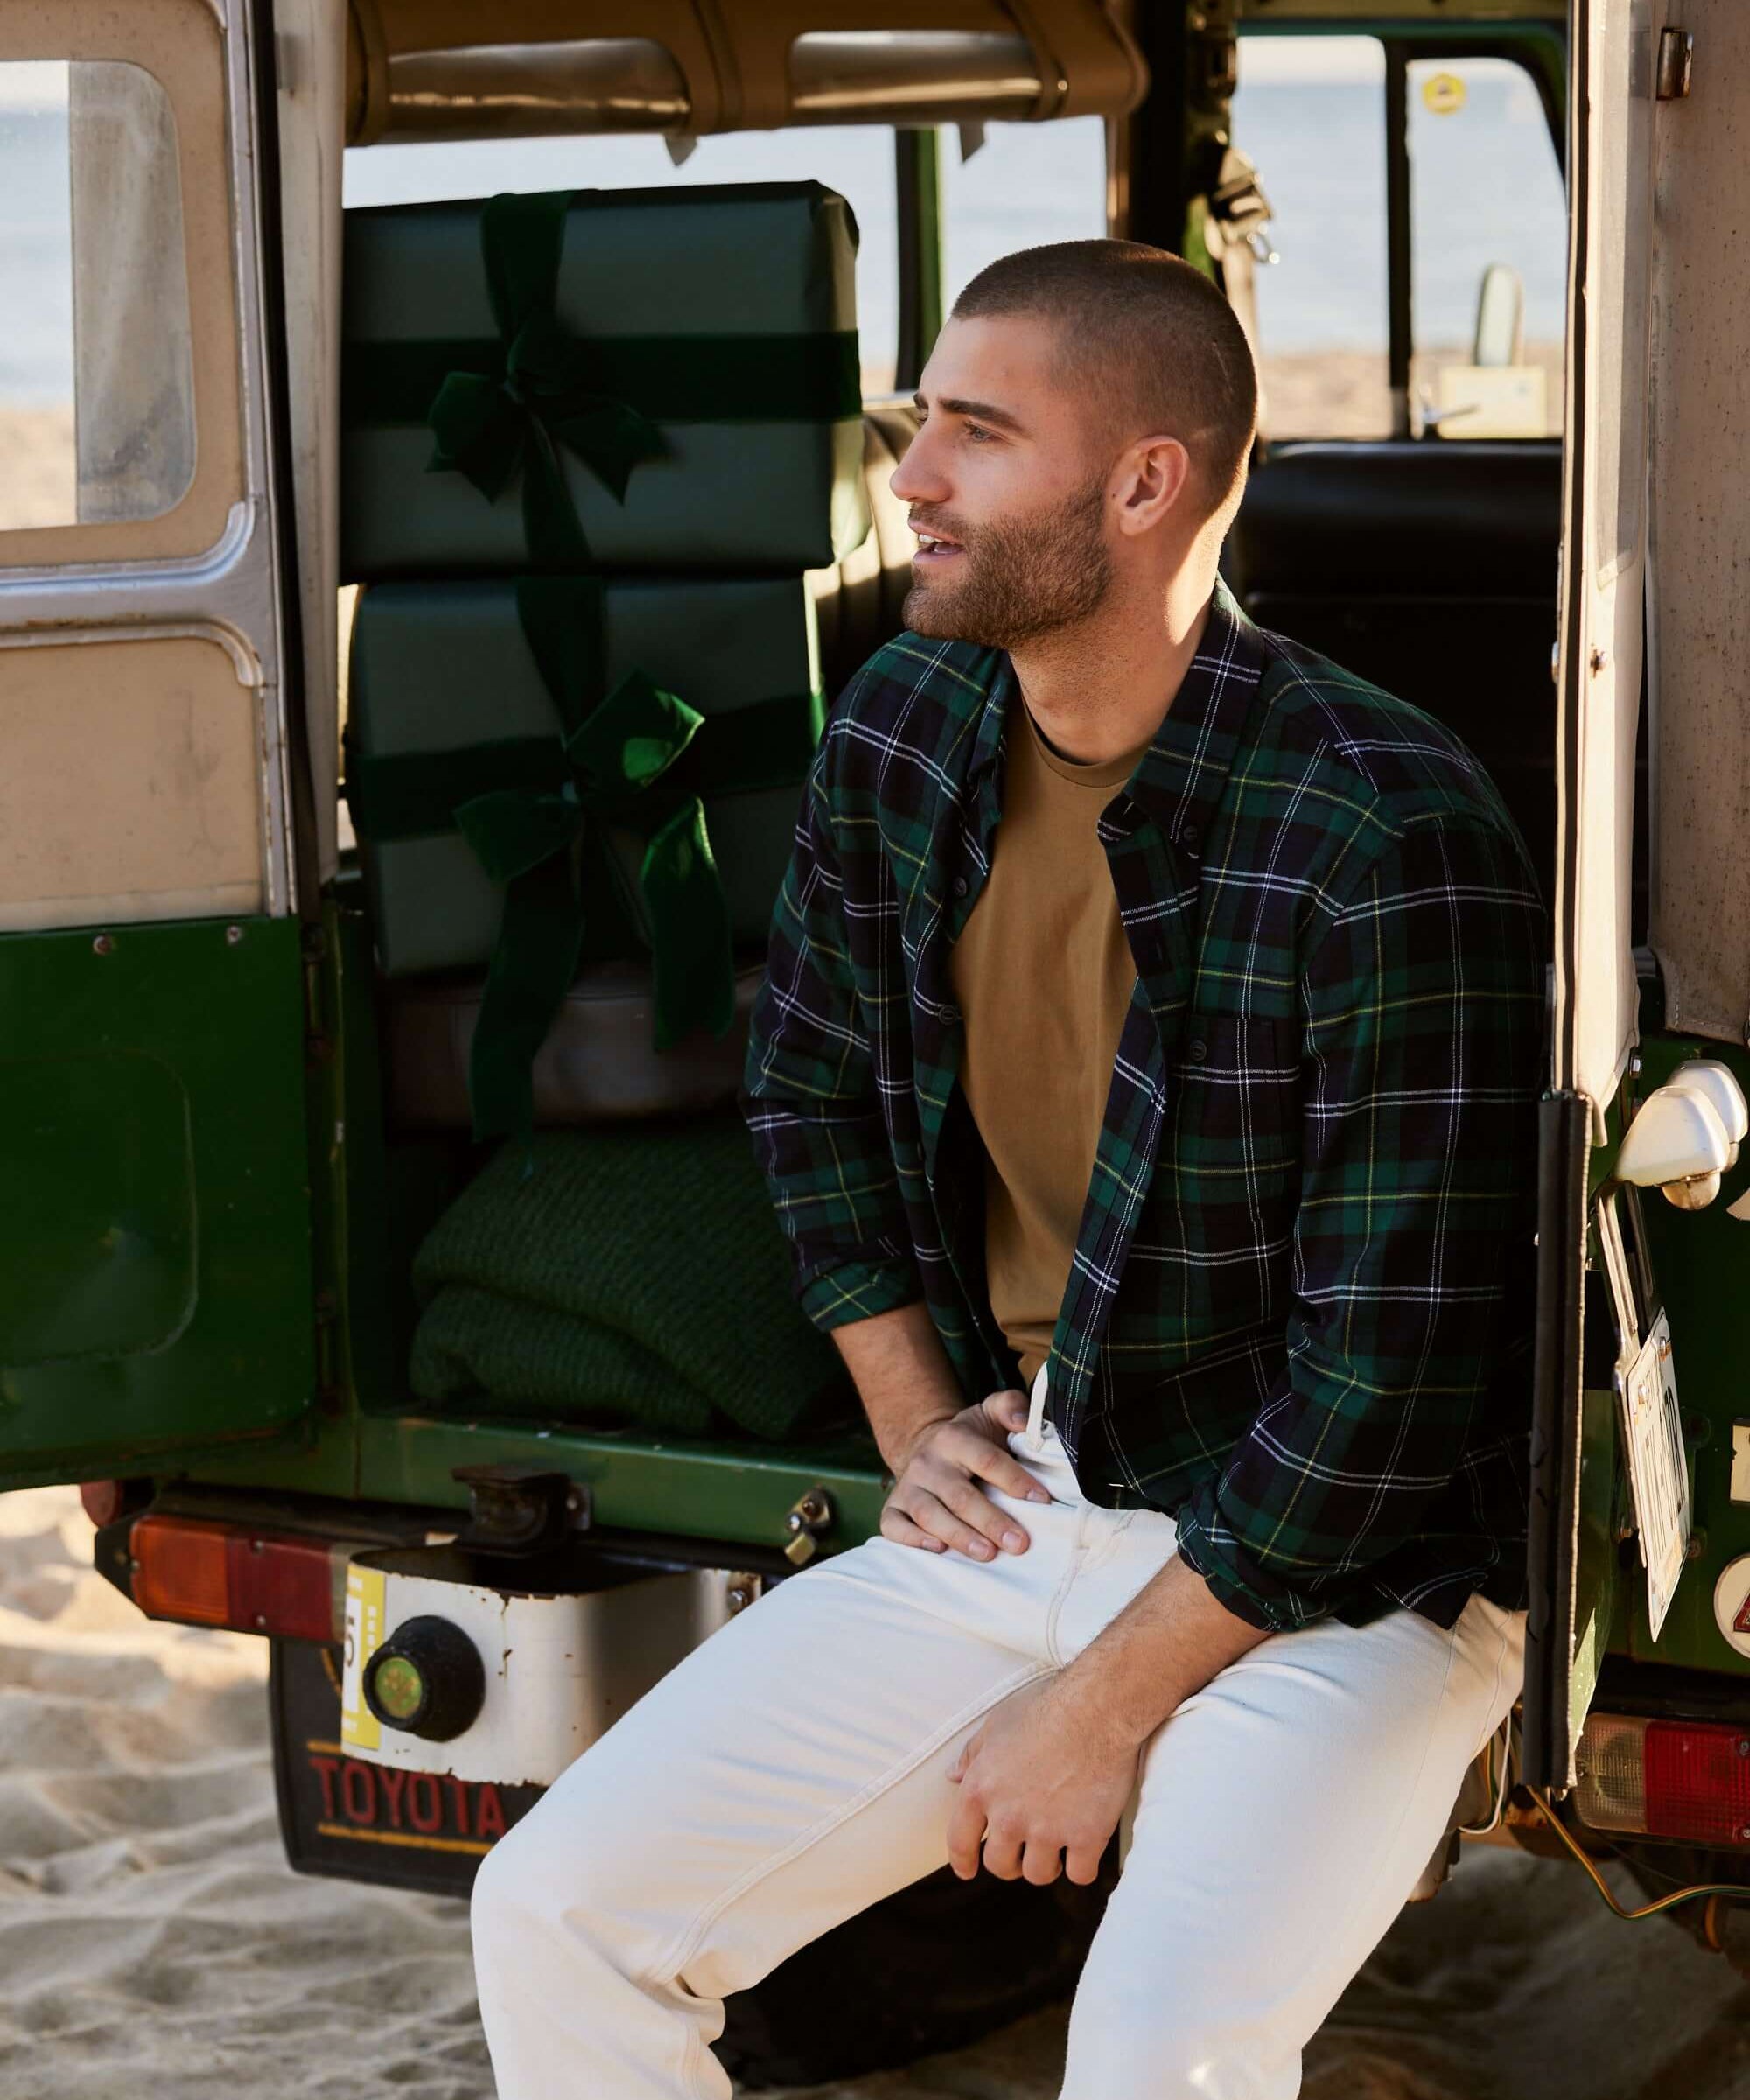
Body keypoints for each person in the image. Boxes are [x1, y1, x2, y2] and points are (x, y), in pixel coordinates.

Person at [469, 239, 1545, 2099]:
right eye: (920, 422)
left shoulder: (1382, 824)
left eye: (976, 431)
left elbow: (1386, 1387)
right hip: (1036, 1485)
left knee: (1155, 2045)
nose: (911, 479)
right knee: (558, 1909)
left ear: (1144, 485)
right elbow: (808, 1088)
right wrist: (910, 1412)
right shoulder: (910, 719)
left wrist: (1098, 1710)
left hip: (1351, 1573)